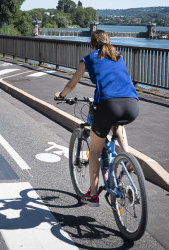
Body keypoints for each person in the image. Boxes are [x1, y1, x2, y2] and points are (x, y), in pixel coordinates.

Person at [55, 30, 139, 207]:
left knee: (94, 151)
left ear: (92, 45)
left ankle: (93, 195)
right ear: (109, 42)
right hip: (132, 105)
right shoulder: (118, 56)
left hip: (109, 105)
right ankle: (127, 158)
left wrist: (61, 95)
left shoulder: (90, 58)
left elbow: (72, 83)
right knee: (117, 124)